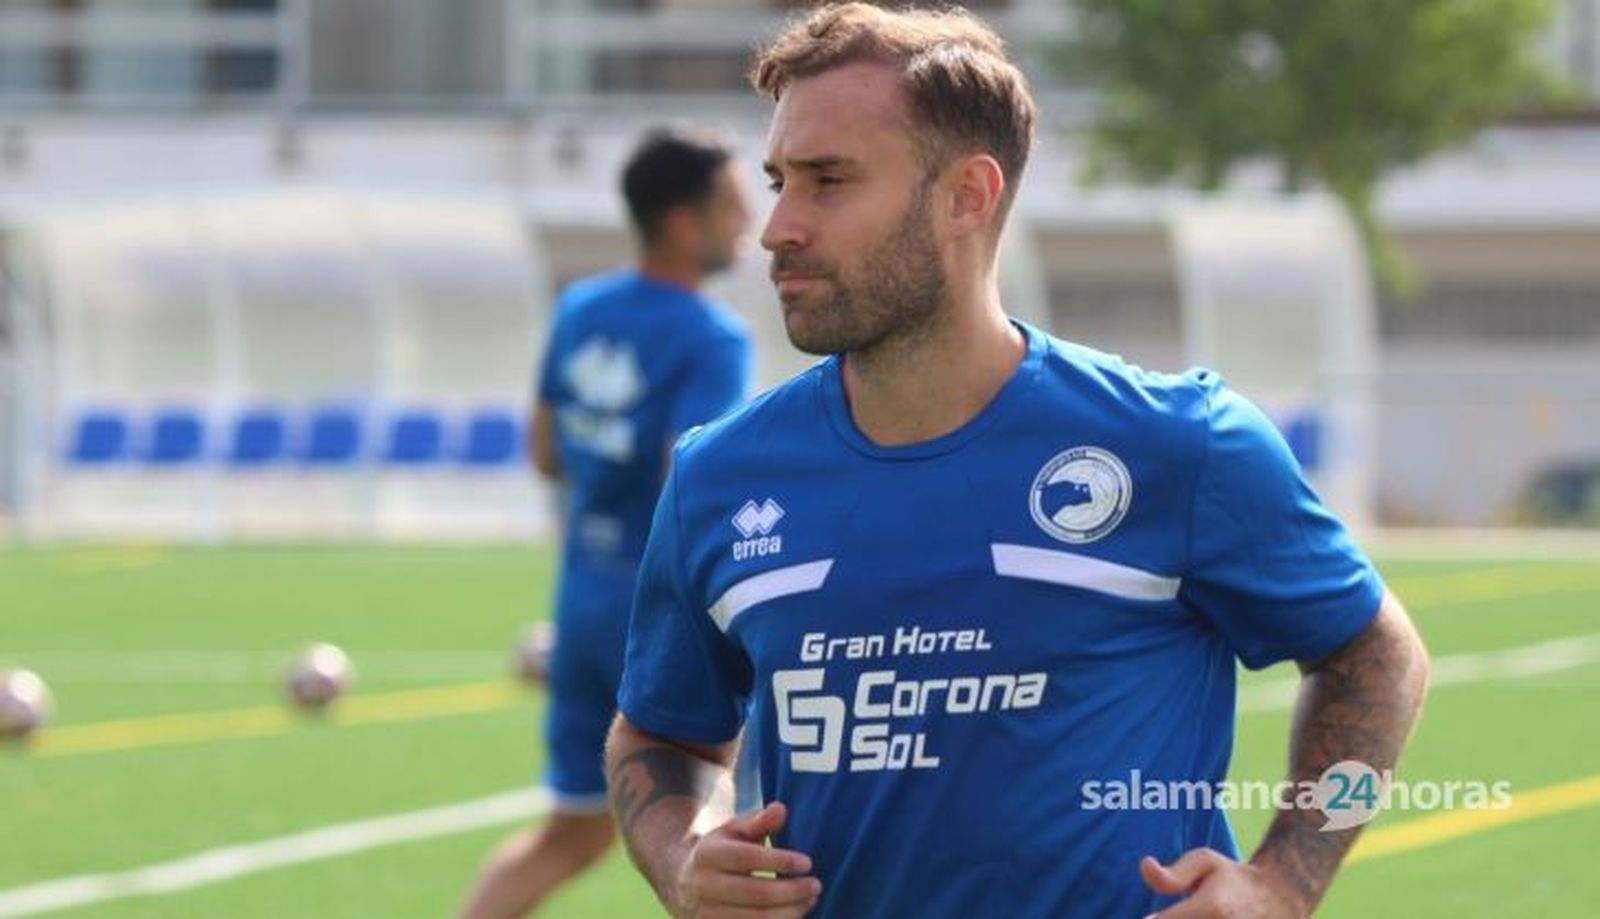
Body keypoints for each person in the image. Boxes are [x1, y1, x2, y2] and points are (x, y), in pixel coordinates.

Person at [603, 5, 1430, 919]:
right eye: (778, 180)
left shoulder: (1177, 442)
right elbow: (659, 731)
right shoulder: (720, 475)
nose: (778, 227)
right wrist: (681, 853)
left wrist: (1286, 881)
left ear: (967, 194)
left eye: (829, 180)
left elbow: (1376, 657)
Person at [457, 126, 754, 919]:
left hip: (583, 599)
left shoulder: (583, 307)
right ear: (686, 222)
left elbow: (547, 450)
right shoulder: (710, 336)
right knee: (737, 838)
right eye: (732, 204)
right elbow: (692, 481)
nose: (750, 220)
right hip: (661, 618)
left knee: (572, 833)